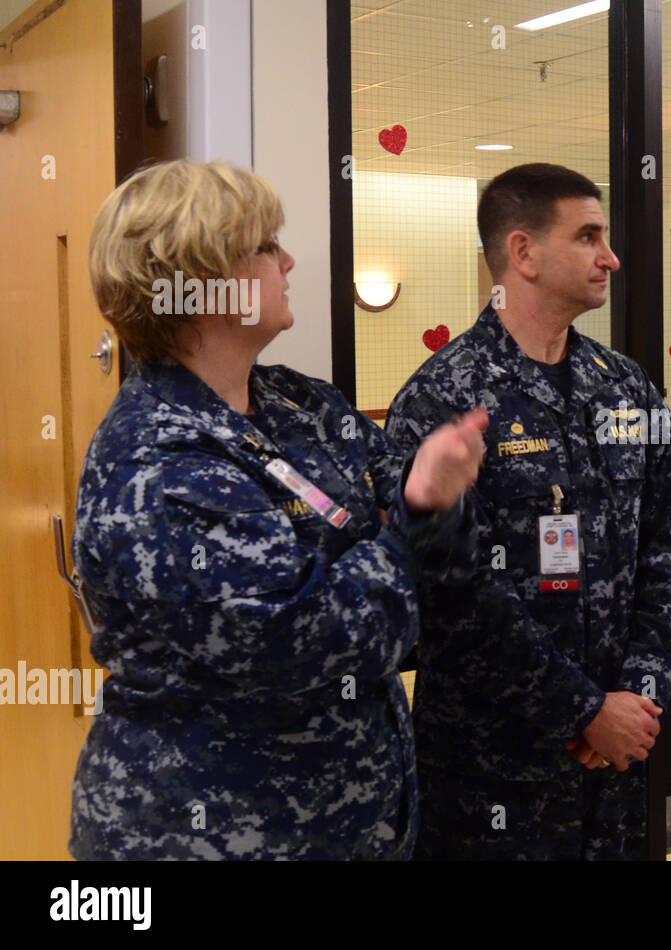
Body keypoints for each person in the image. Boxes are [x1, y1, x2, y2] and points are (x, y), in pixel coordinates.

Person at [69, 159, 486, 859]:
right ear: (198, 281)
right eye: (265, 247)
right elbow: (304, 639)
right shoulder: (157, 464)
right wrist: (412, 518)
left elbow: (443, 569)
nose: (289, 259)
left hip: (355, 824)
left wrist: (411, 525)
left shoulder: (300, 404)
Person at [386, 163, 671, 860]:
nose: (610, 256)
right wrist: (582, 711)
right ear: (522, 253)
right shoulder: (444, 401)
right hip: (493, 774)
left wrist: (637, 698)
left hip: (615, 767)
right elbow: (450, 600)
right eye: (588, 237)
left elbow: (665, 553)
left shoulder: (627, 389)